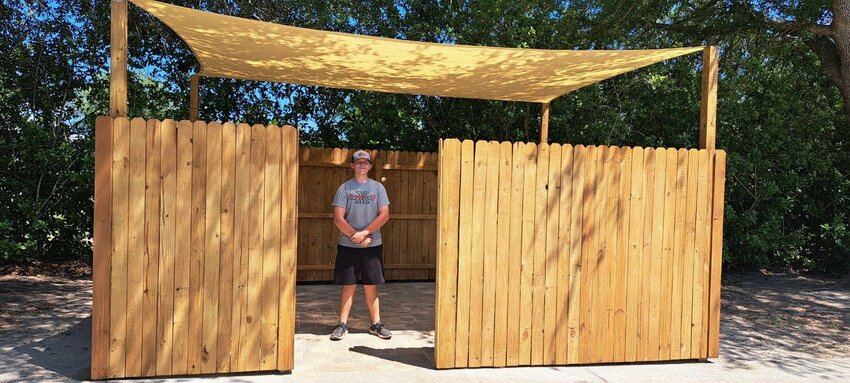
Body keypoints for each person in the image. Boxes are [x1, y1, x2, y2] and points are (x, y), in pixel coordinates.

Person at [329, 150, 392, 340]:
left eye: (365, 162)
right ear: (352, 166)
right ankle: (342, 325)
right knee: (348, 285)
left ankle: (376, 324)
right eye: (358, 162)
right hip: (348, 245)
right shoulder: (344, 188)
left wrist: (365, 233)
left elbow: (384, 215)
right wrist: (355, 236)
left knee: (371, 285)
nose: (362, 165)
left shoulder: (378, 188)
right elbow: (338, 218)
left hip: (372, 245)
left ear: (370, 166)